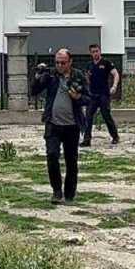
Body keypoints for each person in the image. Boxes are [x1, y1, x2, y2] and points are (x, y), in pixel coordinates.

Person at [33, 49, 86, 204]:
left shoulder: (78, 76)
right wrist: (37, 76)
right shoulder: (51, 75)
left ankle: (69, 194)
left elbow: (89, 98)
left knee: (71, 160)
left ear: (70, 62)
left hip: (72, 125)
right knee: (51, 155)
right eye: (57, 62)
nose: (59, 65)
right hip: (53, 123)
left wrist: (79, 97)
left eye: (63, 63)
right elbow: (34, 91)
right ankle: (57, 191)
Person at [81, 44, 120, 147]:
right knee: (88, 116)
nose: (95, 53)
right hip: (92, 95)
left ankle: (115, 136)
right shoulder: (89, 65)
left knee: (106, 115)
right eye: (93, 52)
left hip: (104, 94)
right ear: (90, 53)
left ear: (100, 51)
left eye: (97, 51)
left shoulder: (106, 63)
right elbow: (87, 77)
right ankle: (87, 139)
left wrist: (114, 86)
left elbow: (115, 74)